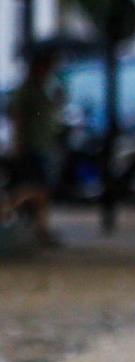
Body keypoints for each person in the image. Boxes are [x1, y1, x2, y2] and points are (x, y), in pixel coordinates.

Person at [5, 45, 65, 247]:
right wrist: (17, 144)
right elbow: (17, 117)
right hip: (31, 146)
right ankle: (12, 212)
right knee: (34, 189)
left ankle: (41, 229)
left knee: (41, 191)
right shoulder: (28, 89)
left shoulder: (43, 87)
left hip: (42, 144)